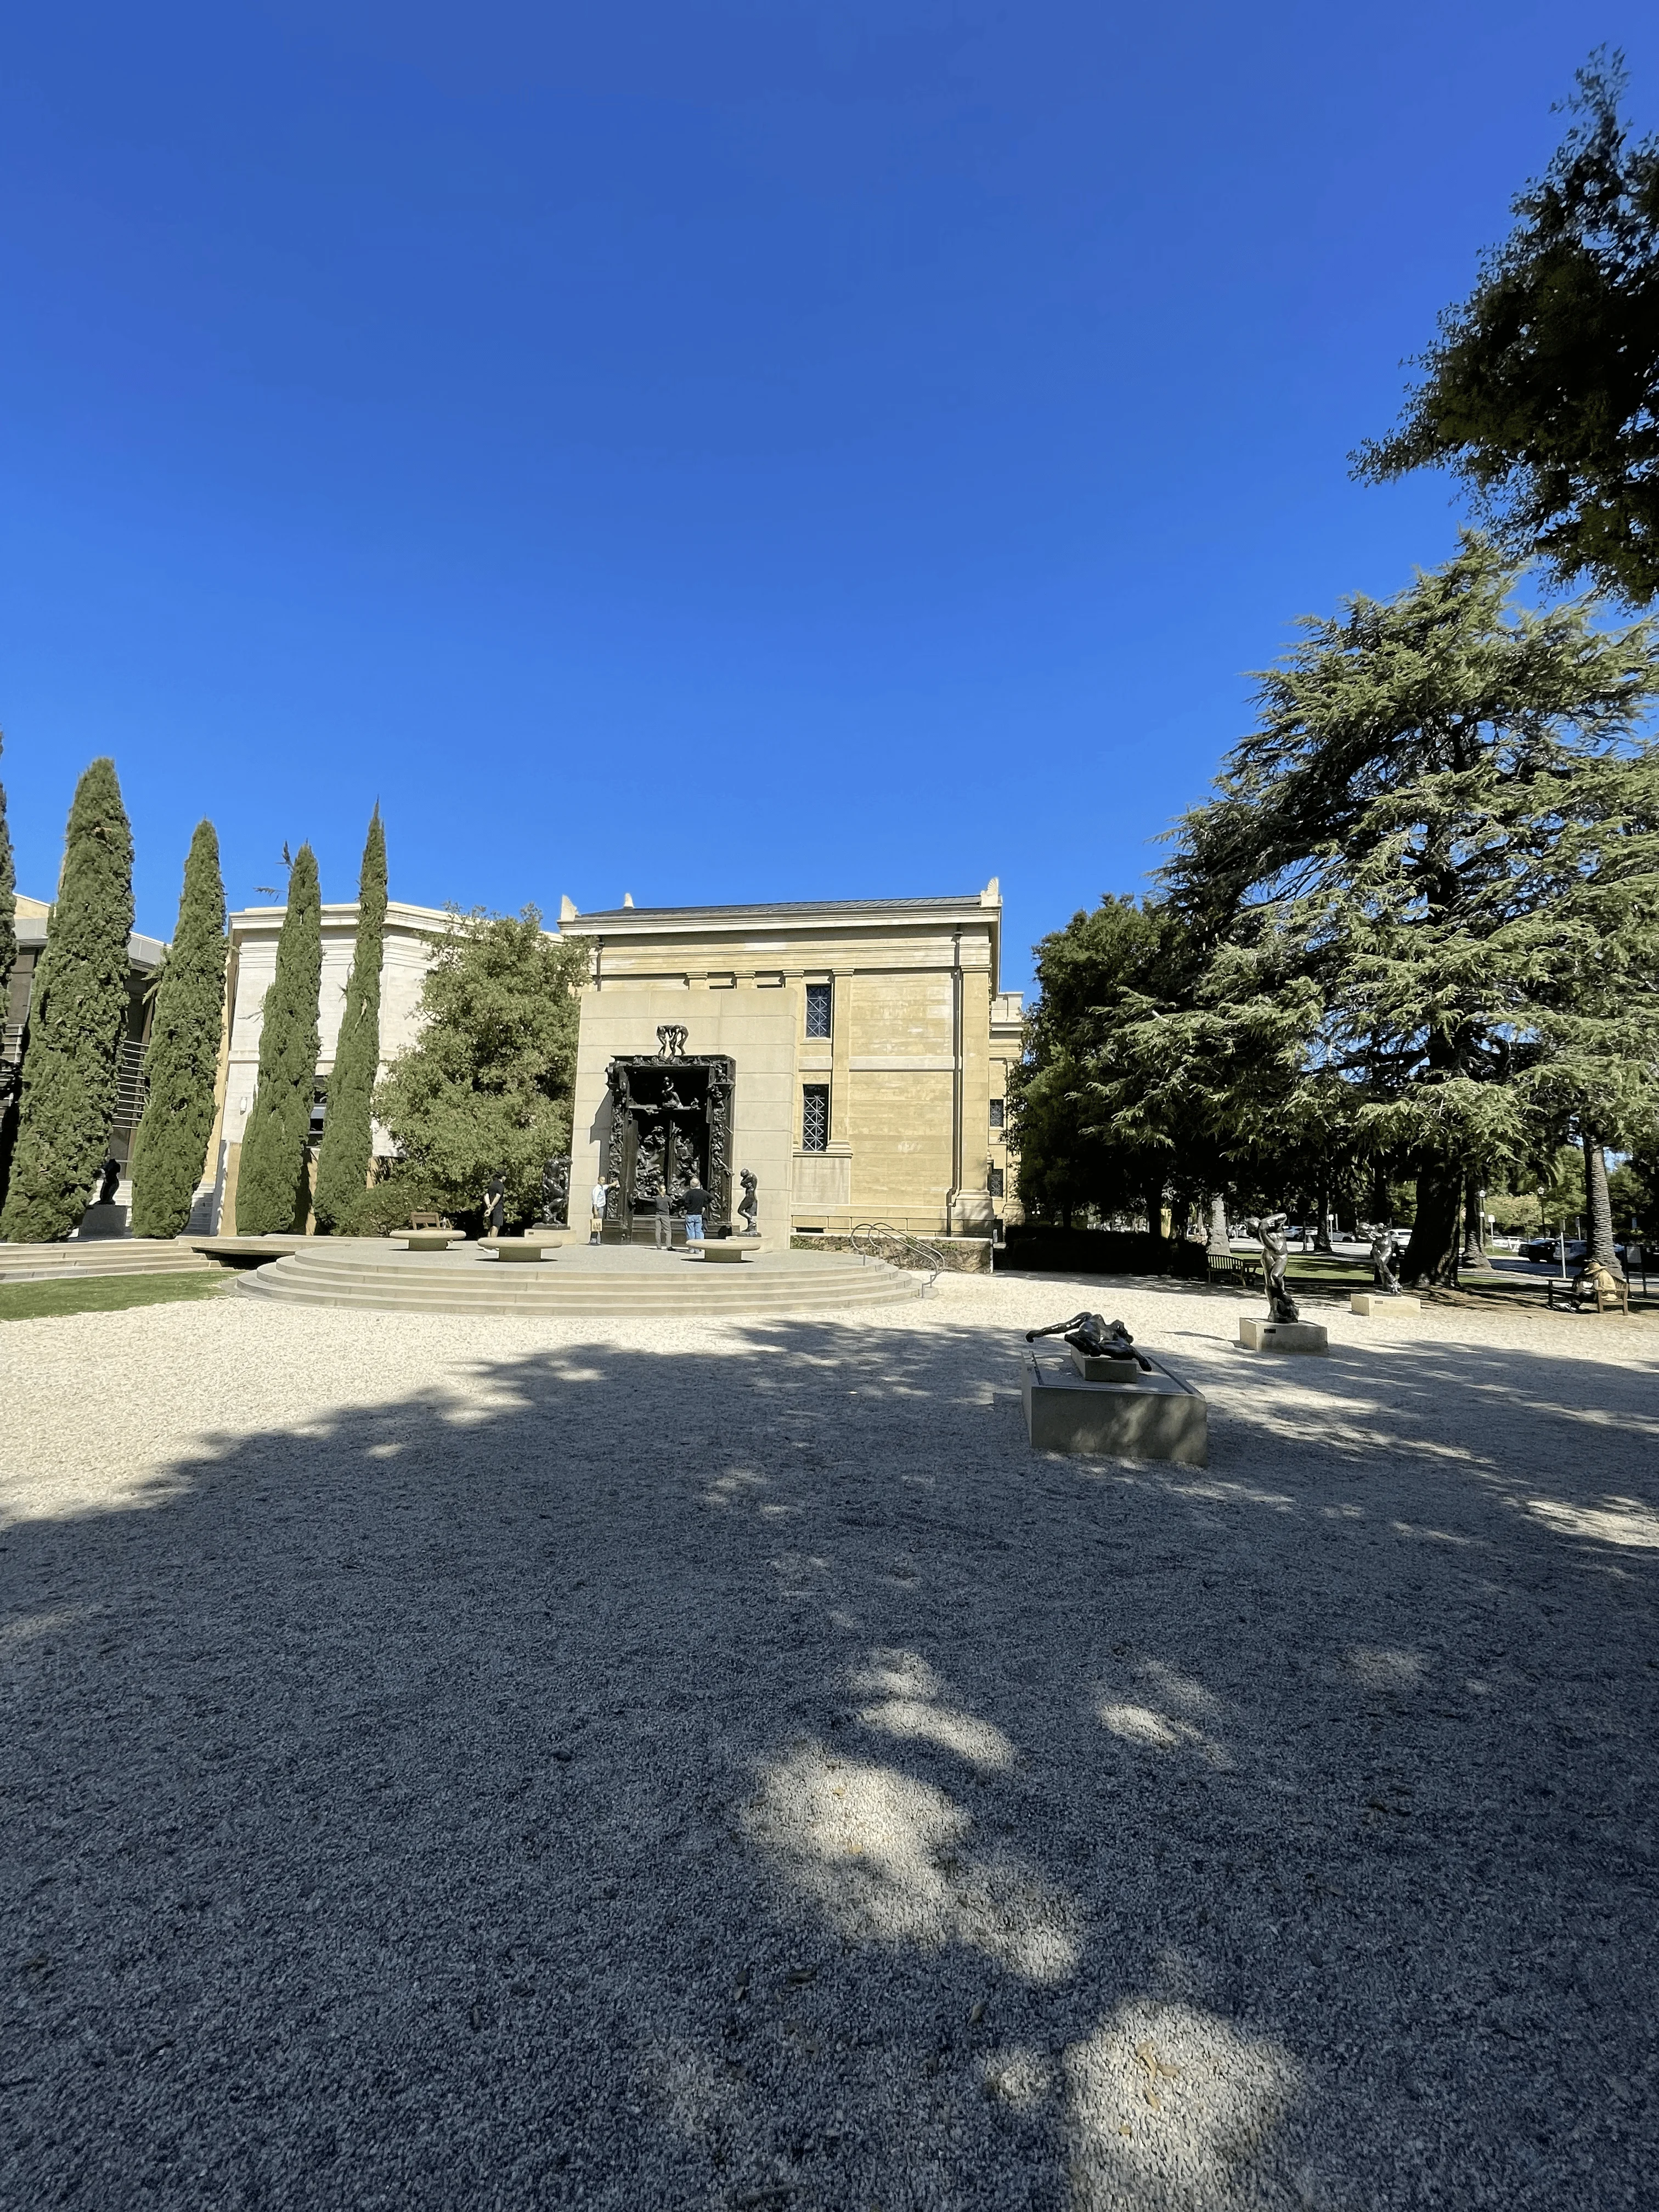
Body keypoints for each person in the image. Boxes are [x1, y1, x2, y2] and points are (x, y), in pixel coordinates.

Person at [682, 1179, 709, 1251]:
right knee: (699, 1231)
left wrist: (686, 1209)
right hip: (699, 1214)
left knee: (690, 1231)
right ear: (699, 1184)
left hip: (690, 1214)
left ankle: (691, 1248)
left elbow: (684, 1201)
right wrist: (704, 1206)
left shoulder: (689, 1193)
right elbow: (711, 1198)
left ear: (691, 1185)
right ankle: (698, 1249)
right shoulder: (703, 1193)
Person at [589, 1175, 613, 1245]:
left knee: (598, 1223)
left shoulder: (602, 1188)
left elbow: (607, 1186)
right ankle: (593, 1240)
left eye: (604, 1180)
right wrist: (595, 1210)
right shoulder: (597, 1189)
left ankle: (597, 1240)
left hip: (601, 1208)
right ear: (598, 1181)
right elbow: (595, 1200)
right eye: (602, 1180)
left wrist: (613, 1184)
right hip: (598, 1208)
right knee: (596, 1223)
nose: (603, 1181)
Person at [483, 1174, 506, 1239]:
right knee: (496, 1226)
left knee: (490, 1228)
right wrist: (491, 1208)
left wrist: (488, 1205)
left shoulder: (492, 1184)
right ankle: (493, 1243)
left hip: (490, 1209)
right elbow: (498, 1197)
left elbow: (486, 1195)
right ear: (503, 1177)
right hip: (497, 1209)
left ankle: (488, 1244)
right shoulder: (501, 1186)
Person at [652, 1186, 673, 1251]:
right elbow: (671, 1206)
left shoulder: (657, 1198)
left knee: (658, 1231)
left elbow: (655, 1205)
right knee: (668, 1231)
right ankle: (669, 1246)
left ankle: (659, 1245)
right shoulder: (668, 1198)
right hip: (665, 1215)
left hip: (658, 1215)